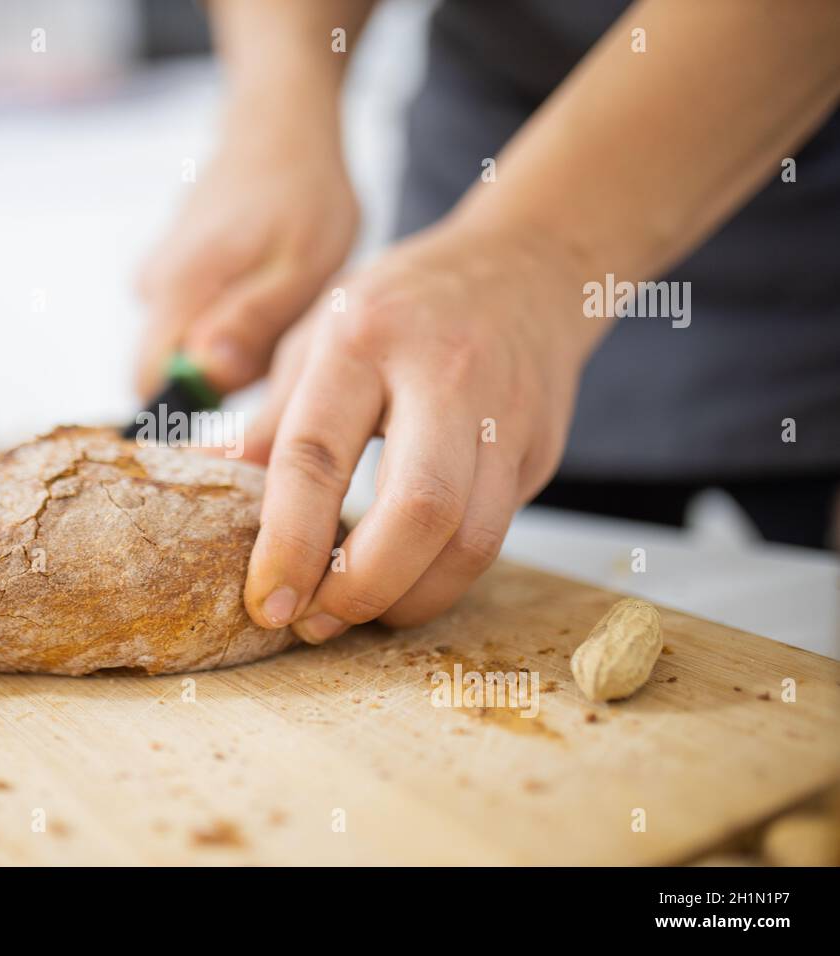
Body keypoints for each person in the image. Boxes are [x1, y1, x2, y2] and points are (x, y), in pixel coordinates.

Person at [134, 0, 840, 646]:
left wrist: (535, 252)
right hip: (479, 175)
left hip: (808, 267)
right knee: (440, 533)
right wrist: (280, 109)